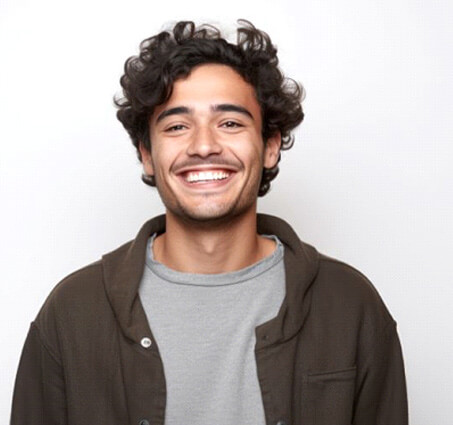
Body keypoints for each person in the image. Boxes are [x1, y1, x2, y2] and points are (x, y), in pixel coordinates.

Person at [10, 20, 408, 425]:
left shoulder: (351, 306)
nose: (203, 146)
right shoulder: (72, 313)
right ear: (147, 154)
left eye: (231, 123)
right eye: (177, 126)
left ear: (270, 145)